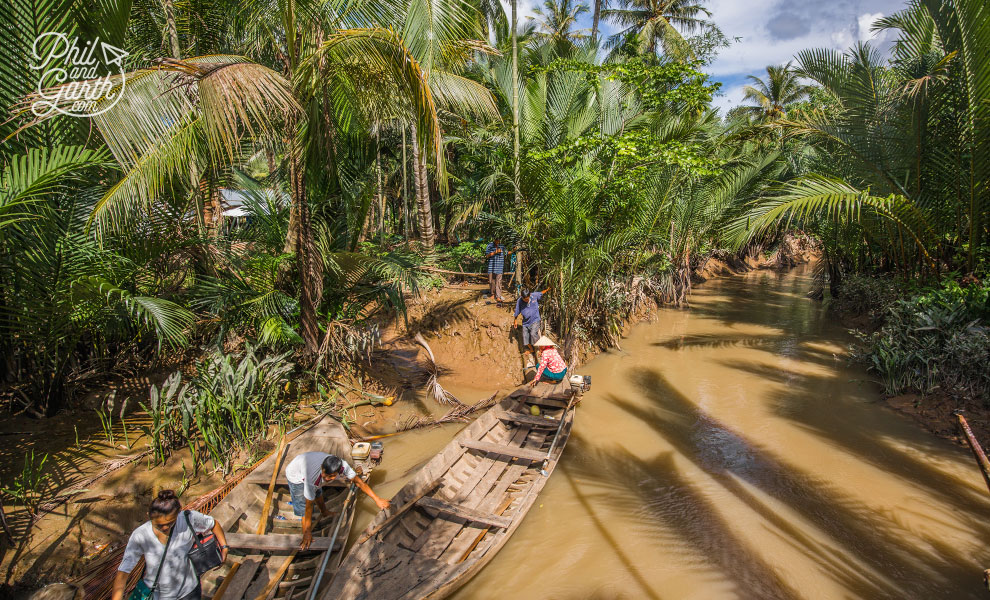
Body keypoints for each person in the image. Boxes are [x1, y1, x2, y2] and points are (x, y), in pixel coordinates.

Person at [112, 490, 228, 600]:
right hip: (159, 596)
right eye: (158, 525)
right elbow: (123, 572)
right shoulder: (140, 536)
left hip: (189, 590)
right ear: (149, 516)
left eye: (170, 523)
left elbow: (213, 524)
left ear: (178, 513)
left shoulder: (188, 518)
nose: (165, 528)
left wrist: (224, 547)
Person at [284, 451, 390, 550]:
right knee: (303, 503)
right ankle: (304, 526)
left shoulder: (343, 467)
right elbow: (308, 507)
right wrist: (307, 533)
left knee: (317, 491)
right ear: (322, 468)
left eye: (331, 476)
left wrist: (377, 499)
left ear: (338, 472)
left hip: (308, 466)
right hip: (295, 475)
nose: (326, 478)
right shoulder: (312, 478)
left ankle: (324, 512)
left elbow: (359, 483)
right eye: (324, 474)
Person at [513, 287, 548, 368]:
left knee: (533, 333)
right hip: (526, 322)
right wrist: (515, 321)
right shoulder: (520, 301)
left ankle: (540, 348)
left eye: (527, 298)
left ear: (529, 295)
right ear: (522, 297)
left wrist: (548, 289)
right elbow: (517, 311)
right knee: (525, 337)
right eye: (525, 299)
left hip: (535, 319)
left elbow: (542, 292)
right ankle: (531, 349)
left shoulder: (534, 296)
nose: (526, 300)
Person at [484, 238, 507, 306]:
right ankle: (492, 294)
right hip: (492, 266)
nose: (498, 241)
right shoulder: (490, 245)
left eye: (499, 240)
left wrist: (514, 250)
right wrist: (495, 252)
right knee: (491, 281)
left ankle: (498, 296)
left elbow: (506, 253)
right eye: (497, 240)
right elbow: (487, 255)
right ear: (494, 240)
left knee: (499, 282)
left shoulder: (502, 246)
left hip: (500, 267)